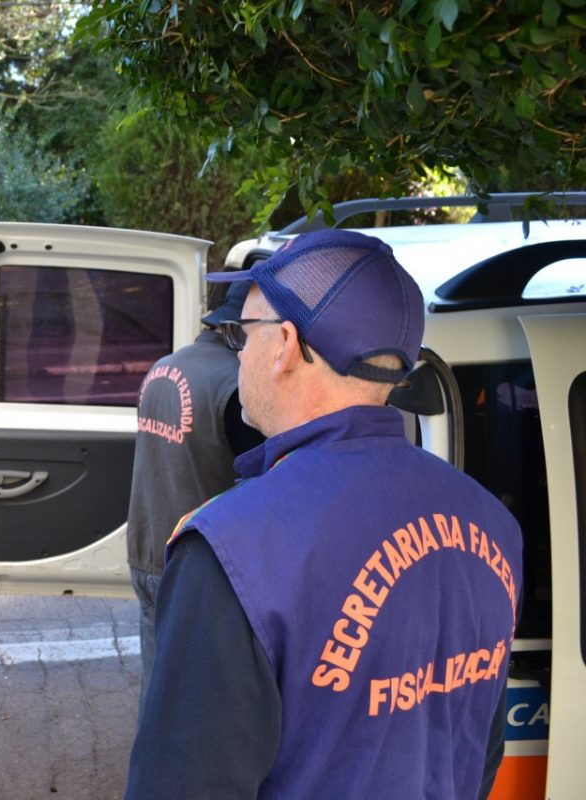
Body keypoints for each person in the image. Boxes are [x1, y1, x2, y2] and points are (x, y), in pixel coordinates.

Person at [125, 229, 522, 799]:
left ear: (285, 343)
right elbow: (479, 754)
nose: (240, 350)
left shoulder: (233, 547)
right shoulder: (492, 523)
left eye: (245, 332)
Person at [126, 281, 262, 719]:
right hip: (195, 560)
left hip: (147, 550)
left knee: (157, 690)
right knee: (199, 705)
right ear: (238, 329)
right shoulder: (234, 385)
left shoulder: (164, 368)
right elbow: (259, 482)